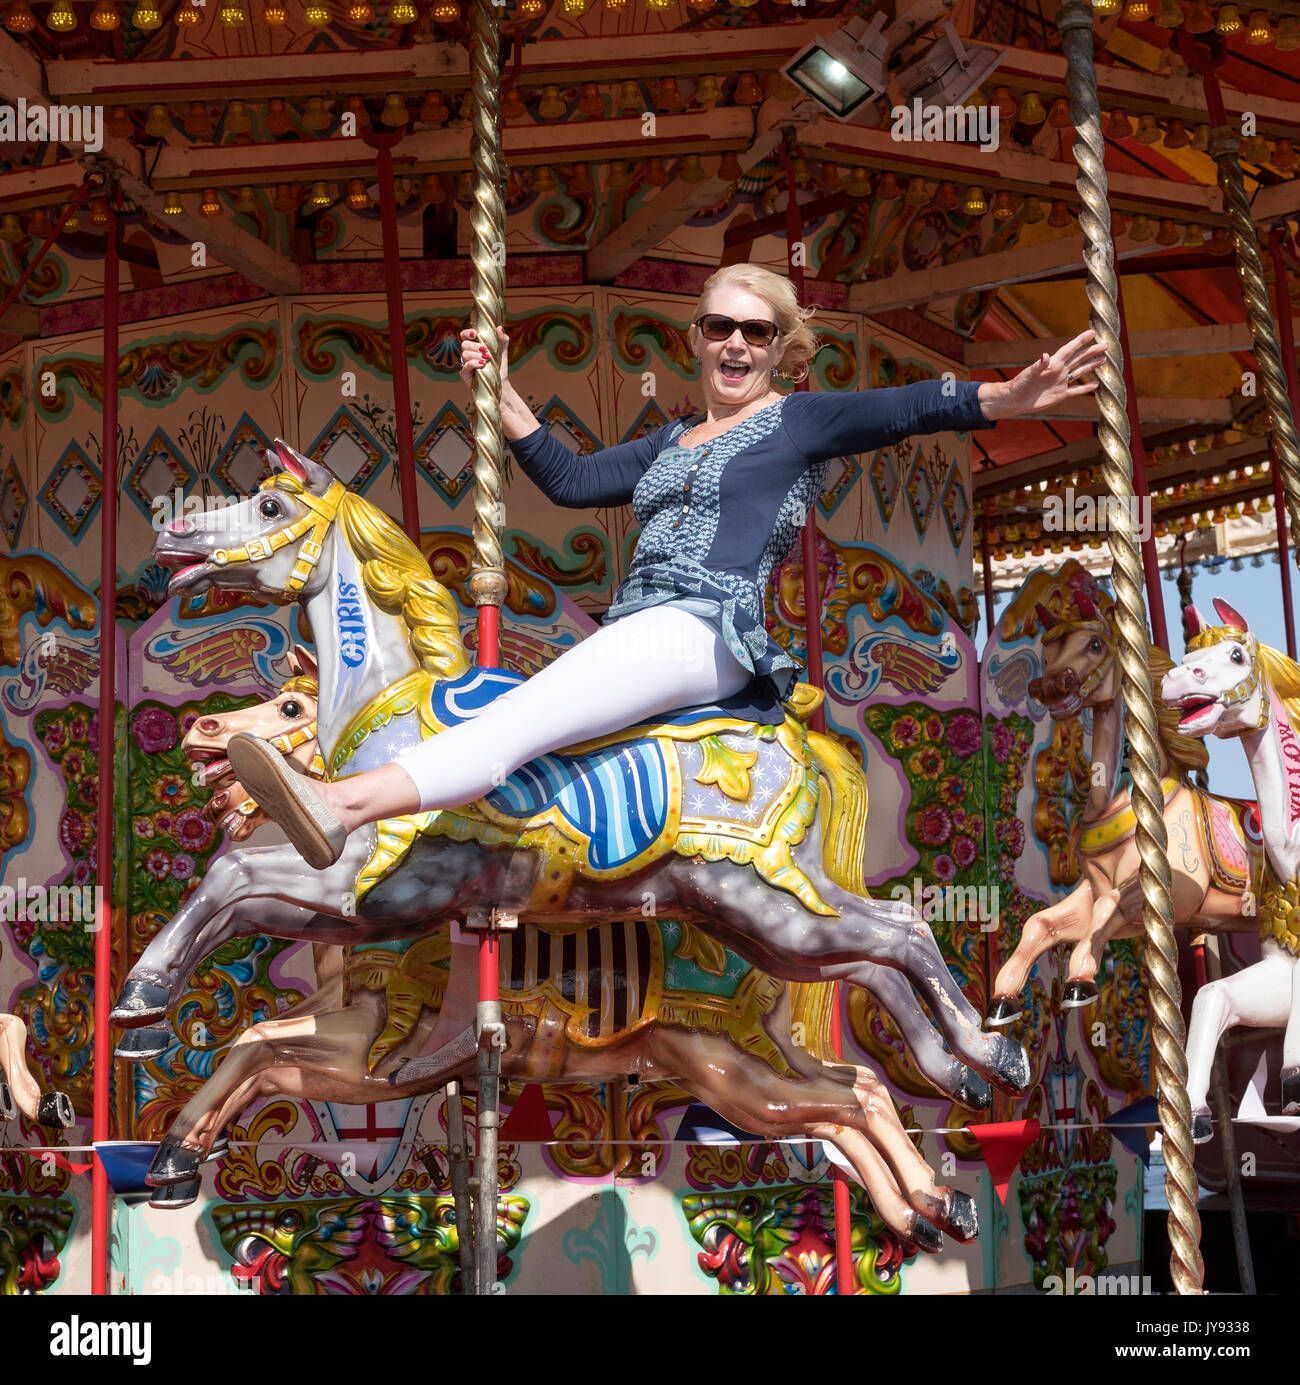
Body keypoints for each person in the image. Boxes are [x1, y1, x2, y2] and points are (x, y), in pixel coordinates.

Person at [229, 264, 1106, 869]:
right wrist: (502, 394)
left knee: (514, 723)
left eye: (754, 333)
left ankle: (339, 807)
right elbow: (571, 480)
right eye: (719, 326)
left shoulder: (797, 421)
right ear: (697, 336)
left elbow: (903, 409)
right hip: (646, 626)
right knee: (530, 730)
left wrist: (1001, 398)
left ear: (780, 348)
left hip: (704, 627)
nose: (734, 344)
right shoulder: (671, 440)